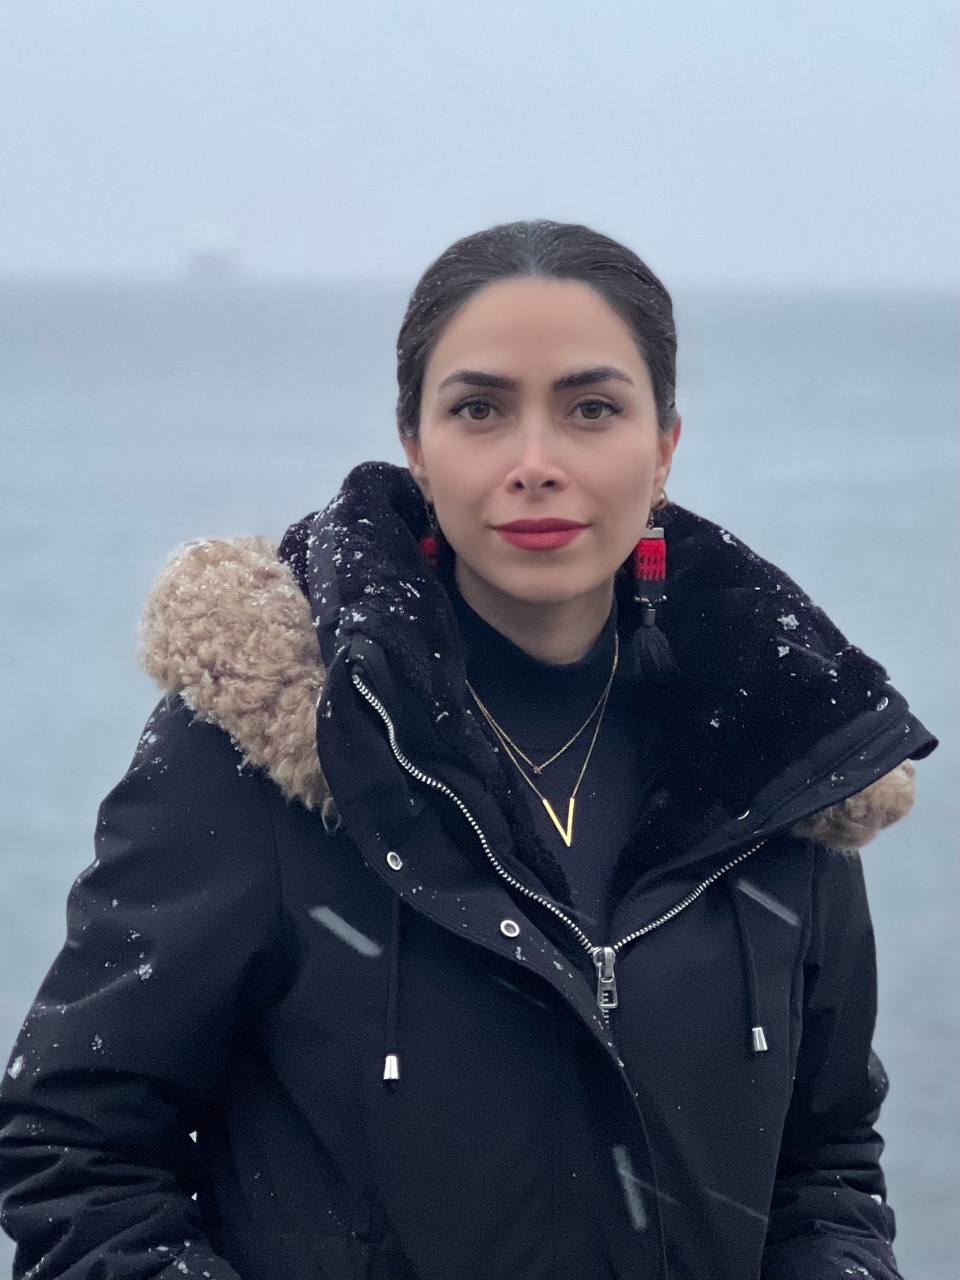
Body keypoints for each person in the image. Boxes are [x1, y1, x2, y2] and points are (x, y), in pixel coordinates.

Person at [0, 219, 939, 1280]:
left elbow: (824, 1165)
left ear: (665, 446)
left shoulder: (775, 753)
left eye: (592, 409)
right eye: (480, 410)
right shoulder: (264, 751)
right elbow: (75, 1150)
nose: (536, 463)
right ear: (414, 443)